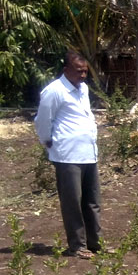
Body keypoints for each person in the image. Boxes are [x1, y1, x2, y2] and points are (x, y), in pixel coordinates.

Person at [34, 50, 102, 259]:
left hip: (88, 154)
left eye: (85, 72)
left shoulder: (83, 89)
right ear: (66, 70)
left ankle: (95, 244)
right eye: (78, 71)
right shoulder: (54, 91)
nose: (82, 76)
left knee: (92, 202)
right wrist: (48, 142)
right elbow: (42, 121)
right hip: (67, 155)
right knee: (73, 202)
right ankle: (77, 246)